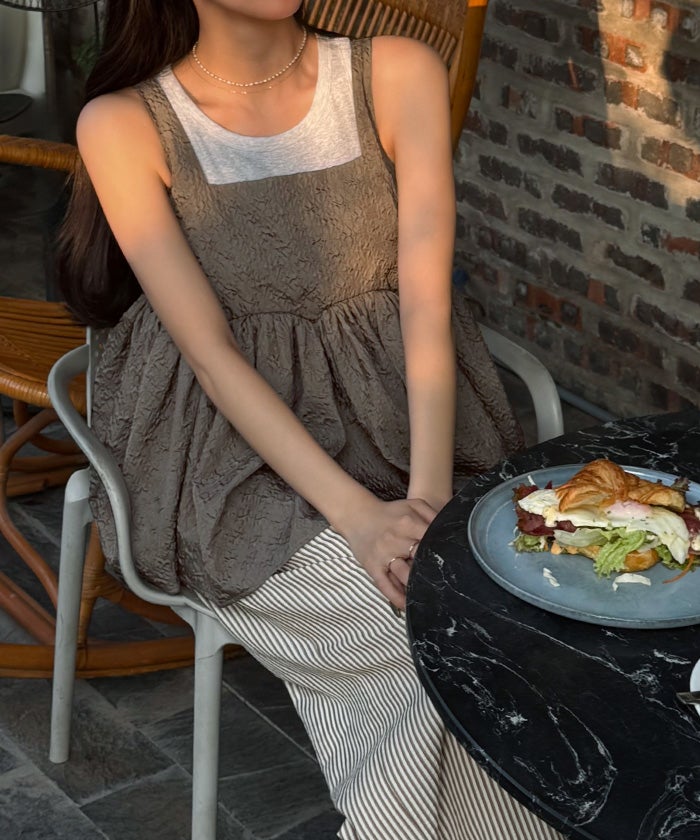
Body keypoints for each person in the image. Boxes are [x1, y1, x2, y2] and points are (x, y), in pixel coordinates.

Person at [59, 1, 564, 838]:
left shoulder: (395, 72)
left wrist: (429, 501)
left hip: (410, 429)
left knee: (505, 626)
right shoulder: (125, 123)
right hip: (228, 462)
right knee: (421, 646)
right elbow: (213, 357)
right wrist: (361, 519)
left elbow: (426, 302)